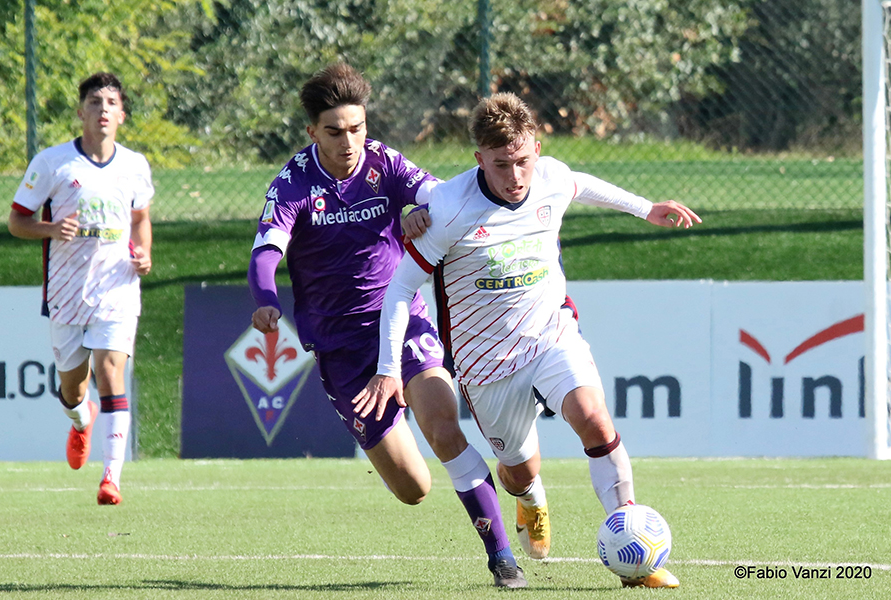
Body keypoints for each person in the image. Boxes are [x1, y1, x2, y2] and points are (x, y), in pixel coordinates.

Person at [355, 92, 702, 588]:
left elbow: (583, 184)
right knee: (518, 470)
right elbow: (399, 289)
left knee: (594, 419)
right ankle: (528, 495)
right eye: (501, 165)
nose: (515, 175)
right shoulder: (449, 208)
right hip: (486, 363)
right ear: (480, 159)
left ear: (537, 149)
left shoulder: (550, 177)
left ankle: (633, 547)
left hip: (550, 332)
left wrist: (646, 209)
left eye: (522, 160)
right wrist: (389, 368)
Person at [247, 64, 526, 588]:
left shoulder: (385, 163)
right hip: (341, 347)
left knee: (444, 429)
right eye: (334, 131)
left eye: (357, 128)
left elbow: (439, 195)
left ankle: (503, 558)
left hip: (401, 322)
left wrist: (421, 211)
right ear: (312, 132)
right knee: (413, 487)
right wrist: (265, 300)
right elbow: (266, 252)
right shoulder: (293, 182)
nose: (349, 141)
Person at [8, 72, 154, 506]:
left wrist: (144, 253)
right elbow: (17, 221)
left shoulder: (135, 165)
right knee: (73, 389)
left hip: (118, 288)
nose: (103, 109)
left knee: (110, 372)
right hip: (67, 294)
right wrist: (51, 229)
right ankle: (80, 419)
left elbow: (141, 219)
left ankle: (111, 478)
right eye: (94, 102)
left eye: (111, 102)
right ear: (80, 112)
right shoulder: (52, 163)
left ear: (122, 115)